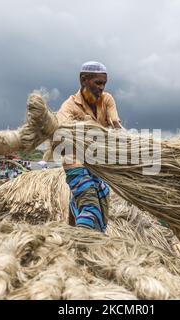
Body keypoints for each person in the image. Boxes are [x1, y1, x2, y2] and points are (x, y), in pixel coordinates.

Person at [54, 61, 122, 232]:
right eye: (98, 83)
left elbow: (115, 124)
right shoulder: (68, 106)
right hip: (75, 163)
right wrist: (87, 128)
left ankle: (83, 229)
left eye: (104, 84)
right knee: (90, 207)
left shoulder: (107, 100)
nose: (101, 88)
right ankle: (81, 245)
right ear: (84, 80)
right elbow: (60, 132)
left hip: (97, 166)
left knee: (103, 205)